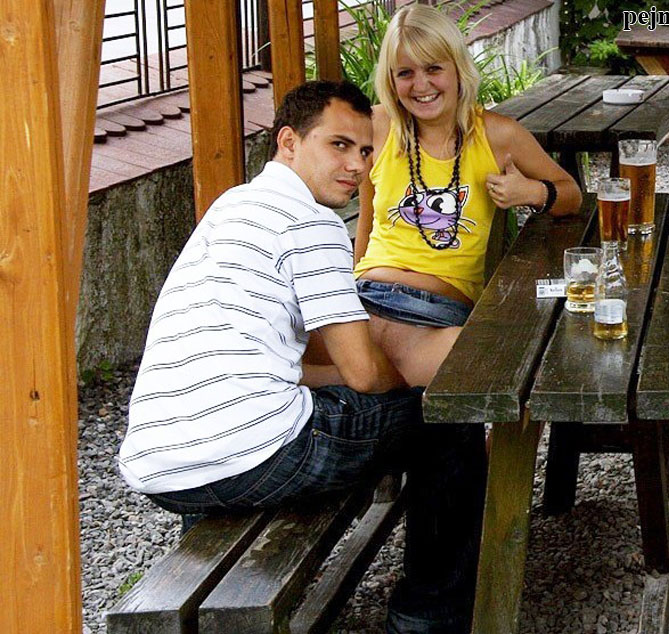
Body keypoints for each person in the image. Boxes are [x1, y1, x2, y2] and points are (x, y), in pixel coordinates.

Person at [118, 81, 487, 634]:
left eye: (366, 151)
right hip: (259, 455)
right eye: (339, 145)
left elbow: (282, 363)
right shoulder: (311, 224)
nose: (357, 165)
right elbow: (365, 375)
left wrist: (338, 377)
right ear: (289, 141)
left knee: (252, 421)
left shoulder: (232, 206)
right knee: (445, 418)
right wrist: (409, 380)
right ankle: (426, 618)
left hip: (160, 466)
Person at [353, 4, 583, 386]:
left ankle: (368, 378)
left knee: (491, 361)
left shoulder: (497, 134)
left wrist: (530, 191)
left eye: (433, 68)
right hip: (367, 294)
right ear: (390, 80)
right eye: (405, 73)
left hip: (438, 310)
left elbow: (571, 194)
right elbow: (367, 221)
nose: (421, 85)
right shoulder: (376, 126)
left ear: (458, 68)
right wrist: (347, 293)